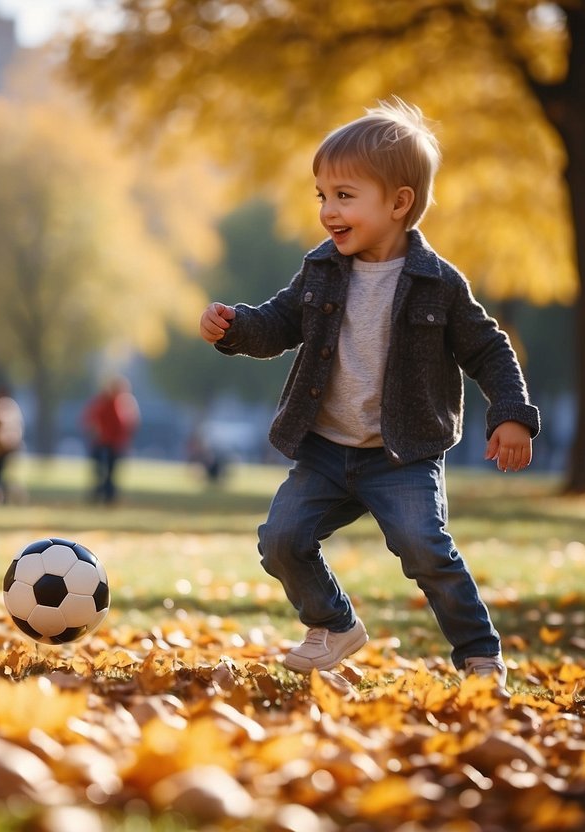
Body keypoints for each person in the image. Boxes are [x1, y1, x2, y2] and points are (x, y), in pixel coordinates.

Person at [198, 98, 539, 690]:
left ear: (399, 203)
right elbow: (280, 323)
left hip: (400, 455)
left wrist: (511, 416)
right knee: (281, 539)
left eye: (345, 196)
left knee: (425, 547)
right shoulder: (322, 269)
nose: (329, 210)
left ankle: (480, 656)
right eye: (322, 196)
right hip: (326, 449)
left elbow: (489, 350)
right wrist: (236, 327)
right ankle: (333, 624)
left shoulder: (440, 283)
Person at [82, 376, 141, 504]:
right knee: (100, 471)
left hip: (114, 443)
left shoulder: (123, 403)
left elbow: (128, 424)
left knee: (111, 472)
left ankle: (108, 495)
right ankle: (100, 493)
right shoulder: (103, 402)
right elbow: (91, 420)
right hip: (101, 442)